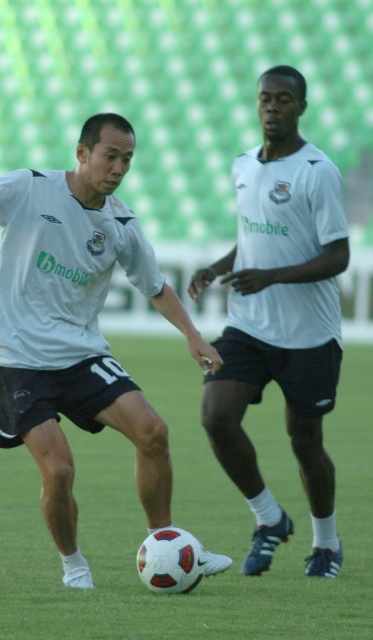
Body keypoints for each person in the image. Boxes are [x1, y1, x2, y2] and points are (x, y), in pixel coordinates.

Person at [0, 113, 232, 590]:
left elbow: (154, 286)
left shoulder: (121, 223)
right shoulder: (30, 189)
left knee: (153, 432)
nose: (118, 168)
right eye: (110, 156)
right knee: (60, 470)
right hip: (16, 357)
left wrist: (193, 336)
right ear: (82, 153)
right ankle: (74, 566)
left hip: (79, 354)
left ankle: (167, 544)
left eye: (127, 159)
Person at [188, 66, 349, 578]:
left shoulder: (317, 171)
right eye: (265, 98)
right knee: (215, 415)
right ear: (256, 103)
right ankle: (270, 518)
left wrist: (272, 277)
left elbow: (339, 255)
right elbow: (253, 236)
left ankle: (326, 545)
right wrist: (218, 267)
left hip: (309, 336)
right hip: (250, 327)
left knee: (305, 442)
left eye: (284, 98)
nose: (273, 106)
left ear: (301, 106)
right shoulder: (243, 165)